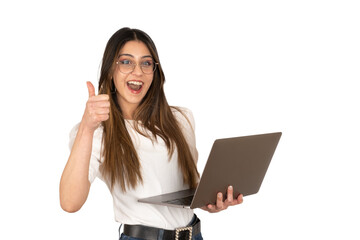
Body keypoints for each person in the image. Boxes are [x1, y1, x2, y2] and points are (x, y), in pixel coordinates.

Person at [59, 27, 243, 240]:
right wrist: (87, 127)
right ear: (111, 70)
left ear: (155, 72)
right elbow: (69, 203)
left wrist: (213, 202)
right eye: (126, 62)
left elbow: (189, 190)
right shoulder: (99, 133)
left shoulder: (181, 120)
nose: (137, 71)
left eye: (146, 63)